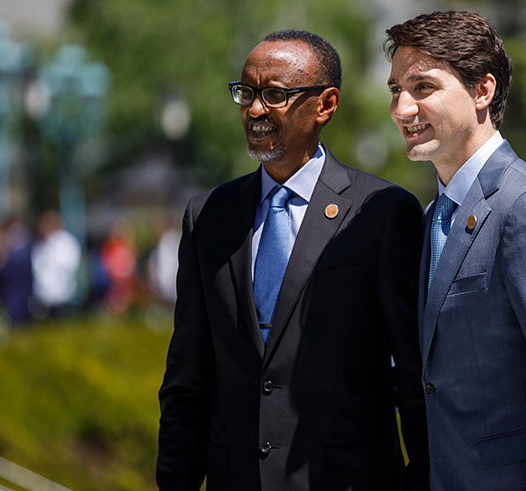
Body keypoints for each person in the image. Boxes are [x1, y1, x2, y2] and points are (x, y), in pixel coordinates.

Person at [157, 29, 429, 491]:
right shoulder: (209, 217)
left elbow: (414, 374)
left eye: (275, 95)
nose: (255, 110)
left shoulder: (382, 212)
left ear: (325, 105)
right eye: (246, 93)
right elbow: (188, 378)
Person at [385, 11, 526, 490]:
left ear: (482, 91)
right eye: (395, 90)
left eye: (422, 87)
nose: (401, 109)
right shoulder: (433, 218)